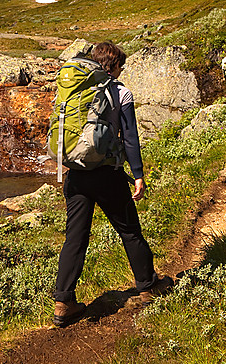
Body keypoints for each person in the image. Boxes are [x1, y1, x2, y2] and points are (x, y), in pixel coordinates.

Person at [52, 41, 173, 328]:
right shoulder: (120, 92)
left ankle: (63, 303)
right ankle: (147, 286)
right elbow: (130, 138)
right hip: (108, 174)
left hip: (77, 174)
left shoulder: (75, 92)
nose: (122, 70)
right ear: (115, 65)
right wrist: (139, 173)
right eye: (122, 65)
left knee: (75, 238)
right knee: (130, 231)